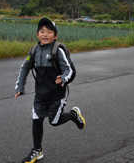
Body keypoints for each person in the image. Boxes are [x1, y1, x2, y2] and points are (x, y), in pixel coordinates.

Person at [15, 18, 85, 163]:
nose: (45, 34)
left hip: (56, 94)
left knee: (54, 121)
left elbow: (69, 70)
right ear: (37, 34)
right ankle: (37, 150)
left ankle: (73, 115)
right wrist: (20, 87)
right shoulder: (33, 50)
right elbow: (25, 67)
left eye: (49, 32)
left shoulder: (58, 50)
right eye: (42, 31)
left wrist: (64, 78)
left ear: (55, 35)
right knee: (37, 119)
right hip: (40, 94)